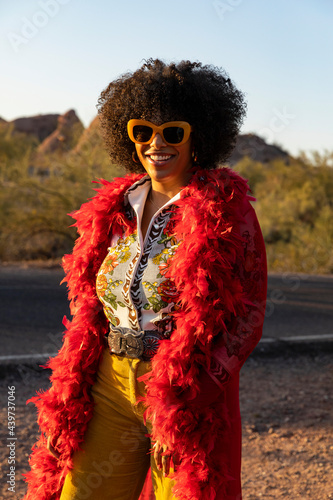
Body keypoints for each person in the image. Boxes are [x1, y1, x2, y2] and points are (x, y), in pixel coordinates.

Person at [24, 59, 267, 500]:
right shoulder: (115, 207)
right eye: (143, 131)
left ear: (199, 137)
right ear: (128, 136)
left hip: (183, 388)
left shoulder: (228, 213)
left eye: (173, 131)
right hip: (108, 380)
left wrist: (197, 391)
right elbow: (88, 304)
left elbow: (247, 315)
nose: (157, 143)